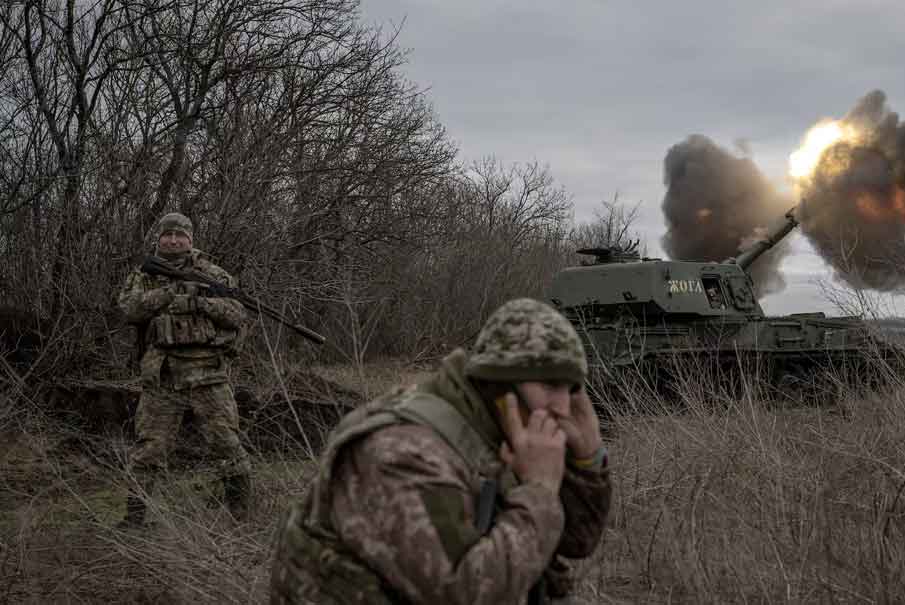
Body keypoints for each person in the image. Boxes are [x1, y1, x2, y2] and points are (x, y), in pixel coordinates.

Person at [269, 298, 612, 604]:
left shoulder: (501, 431)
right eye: (550, 385)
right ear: (500, 382)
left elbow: (574, 541)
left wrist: (587, 458)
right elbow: (464, 594)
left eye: (570, 389)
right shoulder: (403, 452)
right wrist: (539, 491)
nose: (563, 407)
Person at [116, 212, 252, 525]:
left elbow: (237, 314)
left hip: (209, 374)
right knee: (149, 450)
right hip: (163, 376)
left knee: (227, 445)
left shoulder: (212, 273)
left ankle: (241, 517)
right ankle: (133, 521)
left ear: (190, 239)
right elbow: (129, 310)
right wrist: (170, 293)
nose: (174, 240)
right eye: (168, 235)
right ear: (159, 238)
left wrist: (200, 303)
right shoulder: (144, 274)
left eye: (181, 235)